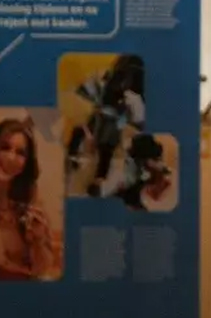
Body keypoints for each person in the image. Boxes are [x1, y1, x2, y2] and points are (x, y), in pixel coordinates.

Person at [66, 54, 146, 197]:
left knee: (106, 146)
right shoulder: (108, 79)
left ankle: (99, 178)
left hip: (114, 120)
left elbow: (136, 118)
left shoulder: (132, 93)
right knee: (84, 133)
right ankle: (74, 159)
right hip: (104, 116)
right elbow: (87, 89)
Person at [0, 117, 56, 281]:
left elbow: (41, 269)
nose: (11, 157)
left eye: (20, 153)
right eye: (5, 147)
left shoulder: (31, 198)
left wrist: (38, 240)